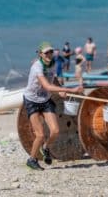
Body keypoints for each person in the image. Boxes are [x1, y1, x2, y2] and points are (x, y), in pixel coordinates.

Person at [23, 42, 83, 170]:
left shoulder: (53, 64)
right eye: (46, 53)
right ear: (40, 54)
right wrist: (72, 90)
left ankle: (45, 148)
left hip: (45, 100)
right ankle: (31, 160)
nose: (49, 55)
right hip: (32, 100)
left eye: (51, 52)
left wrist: (61, 89)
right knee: (39, 135)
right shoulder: (37, 67)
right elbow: (47, 86)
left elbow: (52, 79)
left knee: (55, 130)